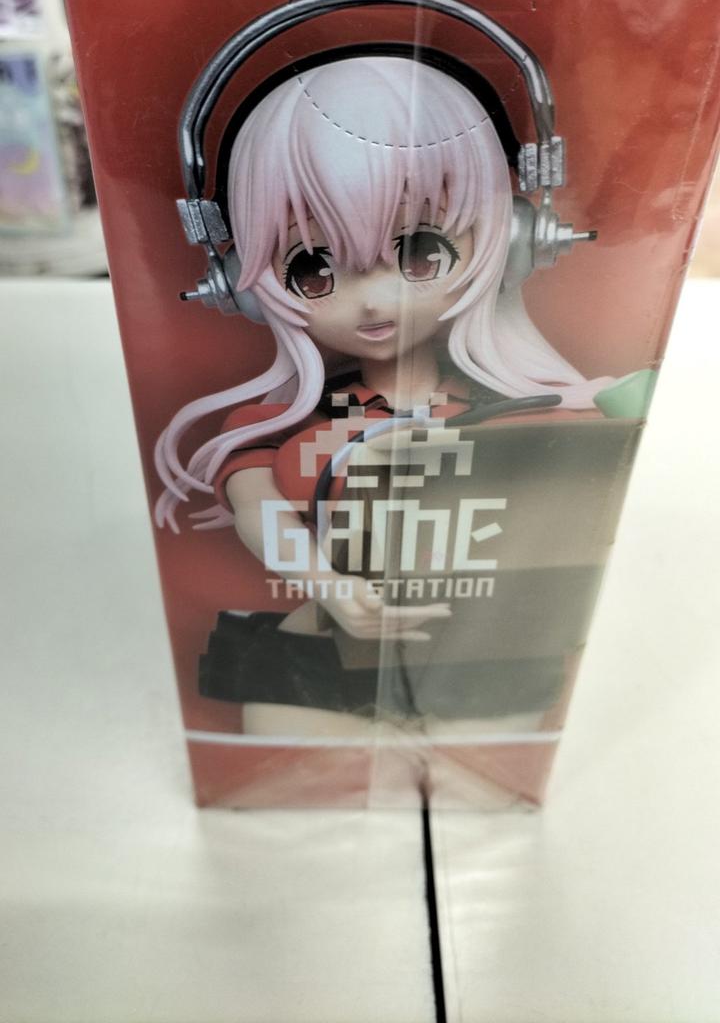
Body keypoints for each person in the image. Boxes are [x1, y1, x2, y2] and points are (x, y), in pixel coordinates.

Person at [154, 55, 619, 741]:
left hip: (480, 658)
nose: (373, 300)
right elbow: (260, 514)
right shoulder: (275, 424)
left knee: (480, 776)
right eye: (312, 268)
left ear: (515, 240)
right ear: (241, 285)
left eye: (421, 252)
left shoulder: (527, 412)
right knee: (296, 776)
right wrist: (330, 586)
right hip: (321, 651)